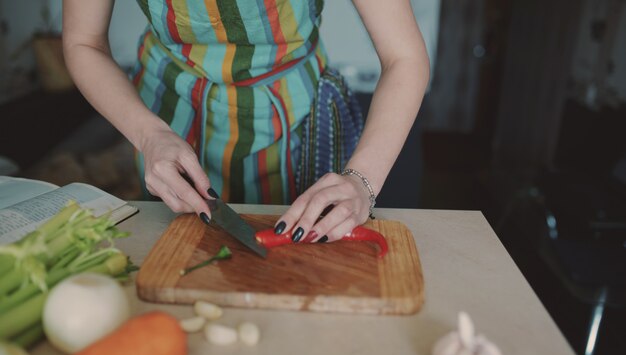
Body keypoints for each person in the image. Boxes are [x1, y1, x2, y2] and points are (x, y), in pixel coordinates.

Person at [62, 0, 429, 243]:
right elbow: (84, 42)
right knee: (181, 250)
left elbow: (404, 57)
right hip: (168, 116)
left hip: (293, 120)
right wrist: (149, 135)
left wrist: (361, 181)